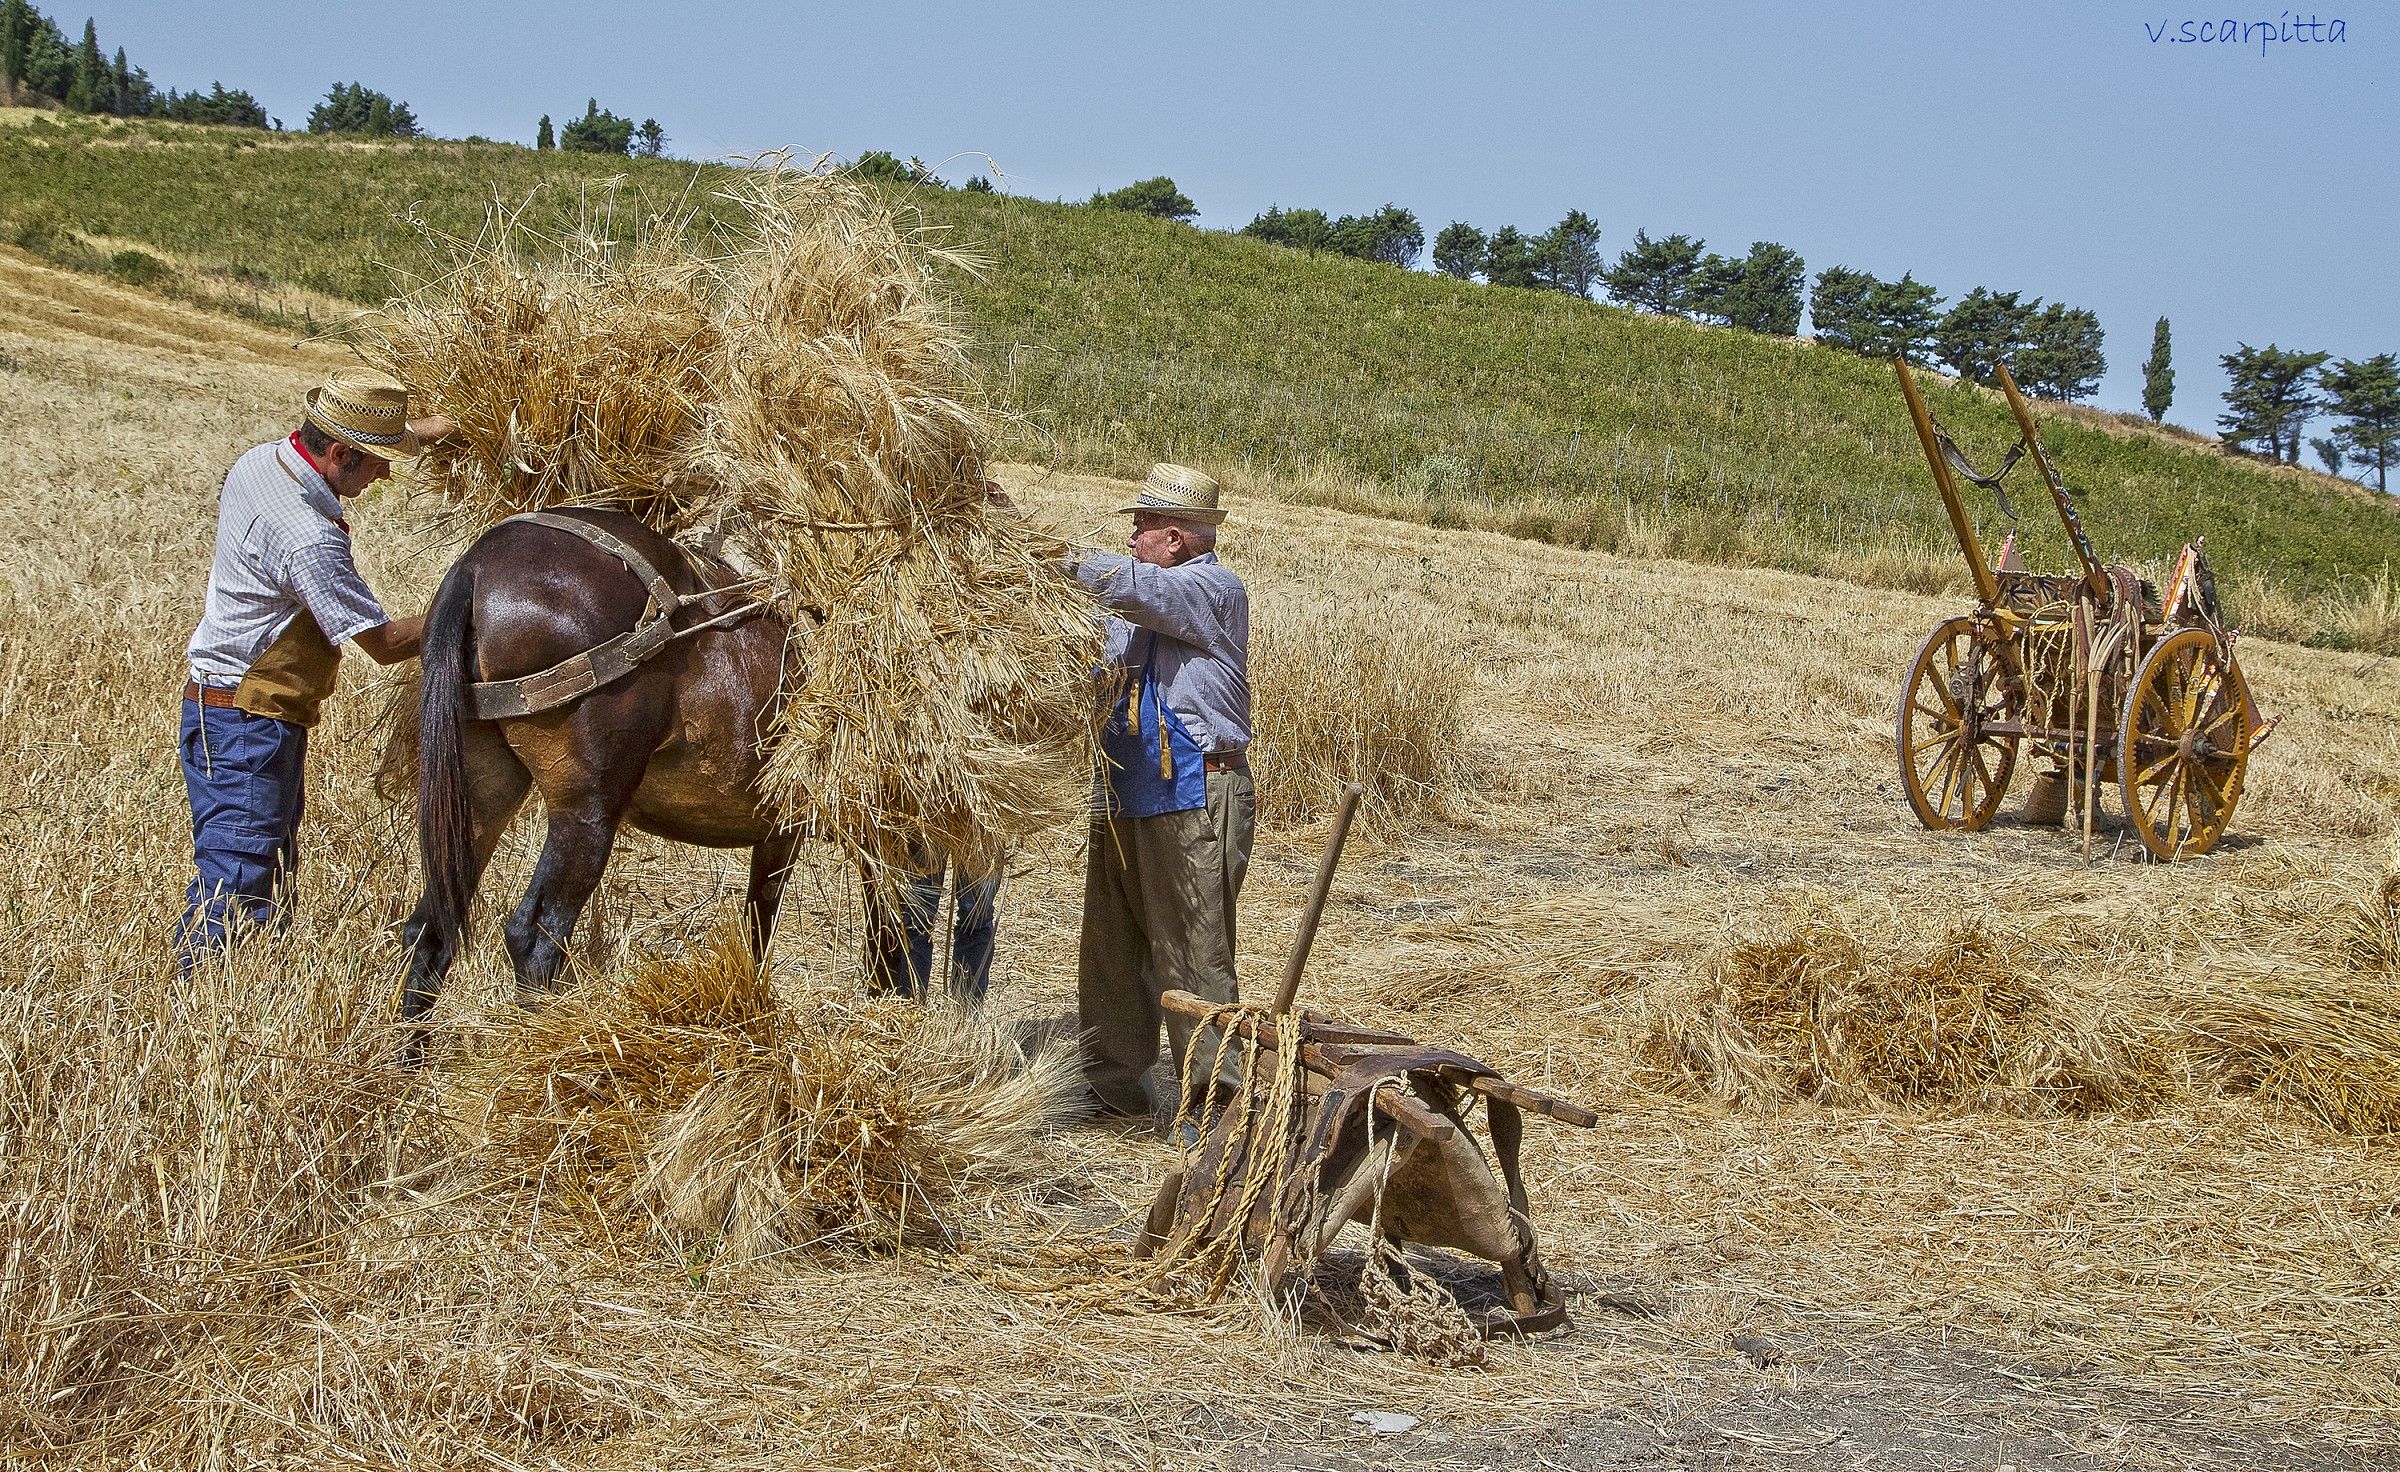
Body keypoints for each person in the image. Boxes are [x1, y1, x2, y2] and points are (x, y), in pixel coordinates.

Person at [176, 369, 441, 968]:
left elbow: (385, 439)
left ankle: (242, 996)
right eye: (375, 462)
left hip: (235, 710)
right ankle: (205, 1011)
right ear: (339, 453)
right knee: (239, 879)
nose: (386, 473)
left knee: (261, 866)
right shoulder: (307, 538)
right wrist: (472, 611)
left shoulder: (262, 462)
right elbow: (386, 643)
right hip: (246, 721)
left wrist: (461, 424)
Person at [1069, 463, 1255, 1121]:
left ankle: (1216, 1106)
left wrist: (1042, 552)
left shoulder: (1211, 588)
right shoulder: (1135, 614)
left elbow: (1133, 586)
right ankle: (1111, 1089)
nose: (1133, 537)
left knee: (1193, 953)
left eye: (1142, 525)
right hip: (1125, 788)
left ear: (1174, 539)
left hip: (1199, 792)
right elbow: (1099, 671)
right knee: (1112, 951)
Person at [863, 853, 1002, 1005]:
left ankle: (965, 1015)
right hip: (924, 831)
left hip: (982, 832)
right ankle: (911, 1013)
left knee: (976, 918)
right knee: (917, 918)